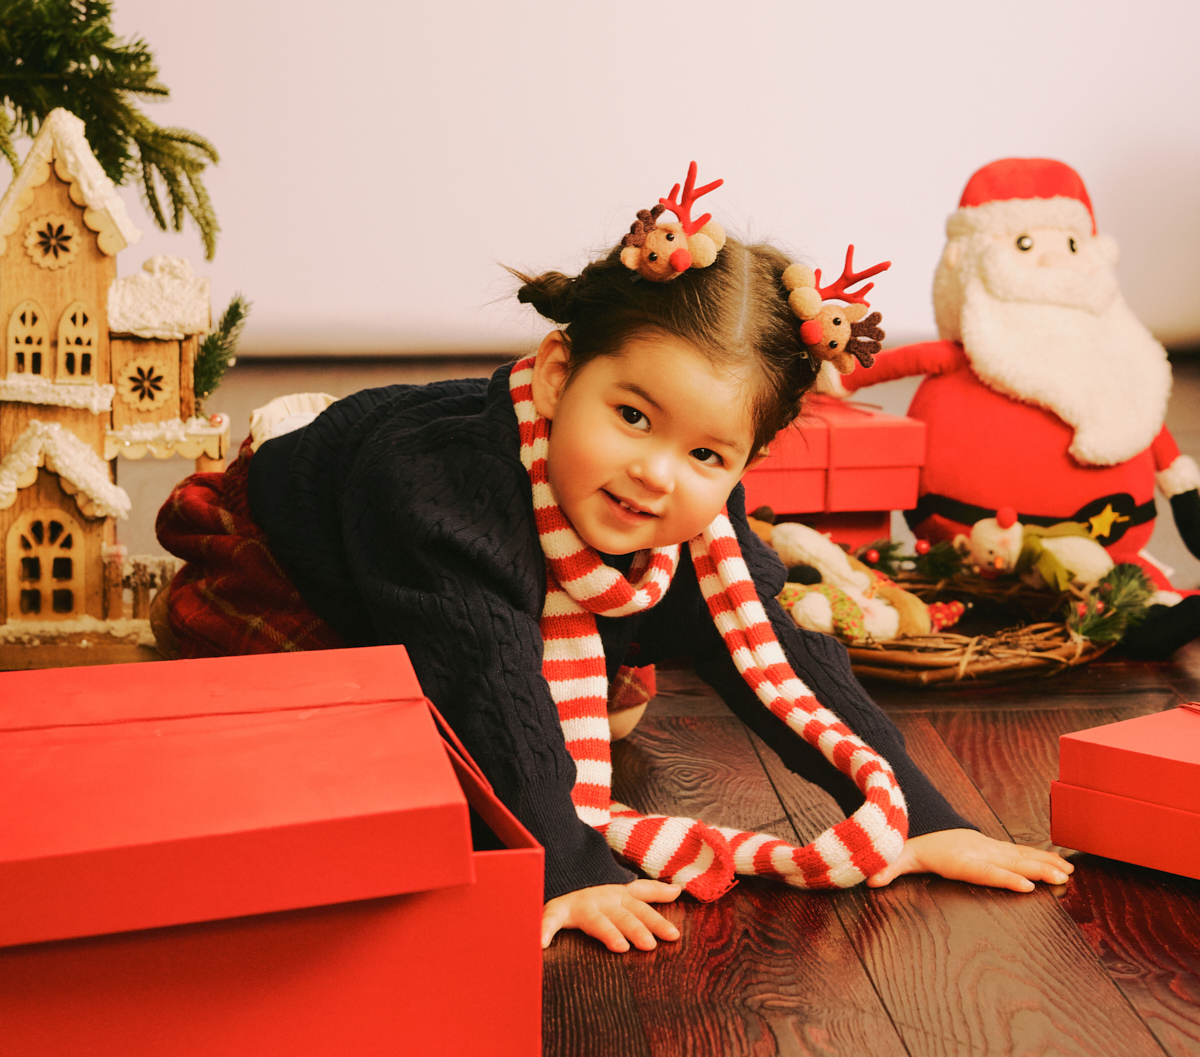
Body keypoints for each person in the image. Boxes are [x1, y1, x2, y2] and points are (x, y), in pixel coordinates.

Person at [155, 166, 1071, 953]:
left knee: (641, 659)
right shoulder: (441, 488)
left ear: (744, 460)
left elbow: (777, 653)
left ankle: (572, 673)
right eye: (632, 415)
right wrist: (566, 865)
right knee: (378, 756)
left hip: (494, 586)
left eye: (706, 453)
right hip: (292, 566)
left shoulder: (693, 515)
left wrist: (916, 812)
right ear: (559, 375)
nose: (656, 473)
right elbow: (487, 680)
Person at [839, 157, 1200, 656]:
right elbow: (882, 365)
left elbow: (1146, 419)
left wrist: (1184, 492)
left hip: (1103, 537)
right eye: (1025, 245)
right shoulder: (965, 356)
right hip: (970, 540)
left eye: (1069, 245)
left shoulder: (1118, 365)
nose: (1052, 264)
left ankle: (1144, 611)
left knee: (1121, 580)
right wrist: (833, 377)